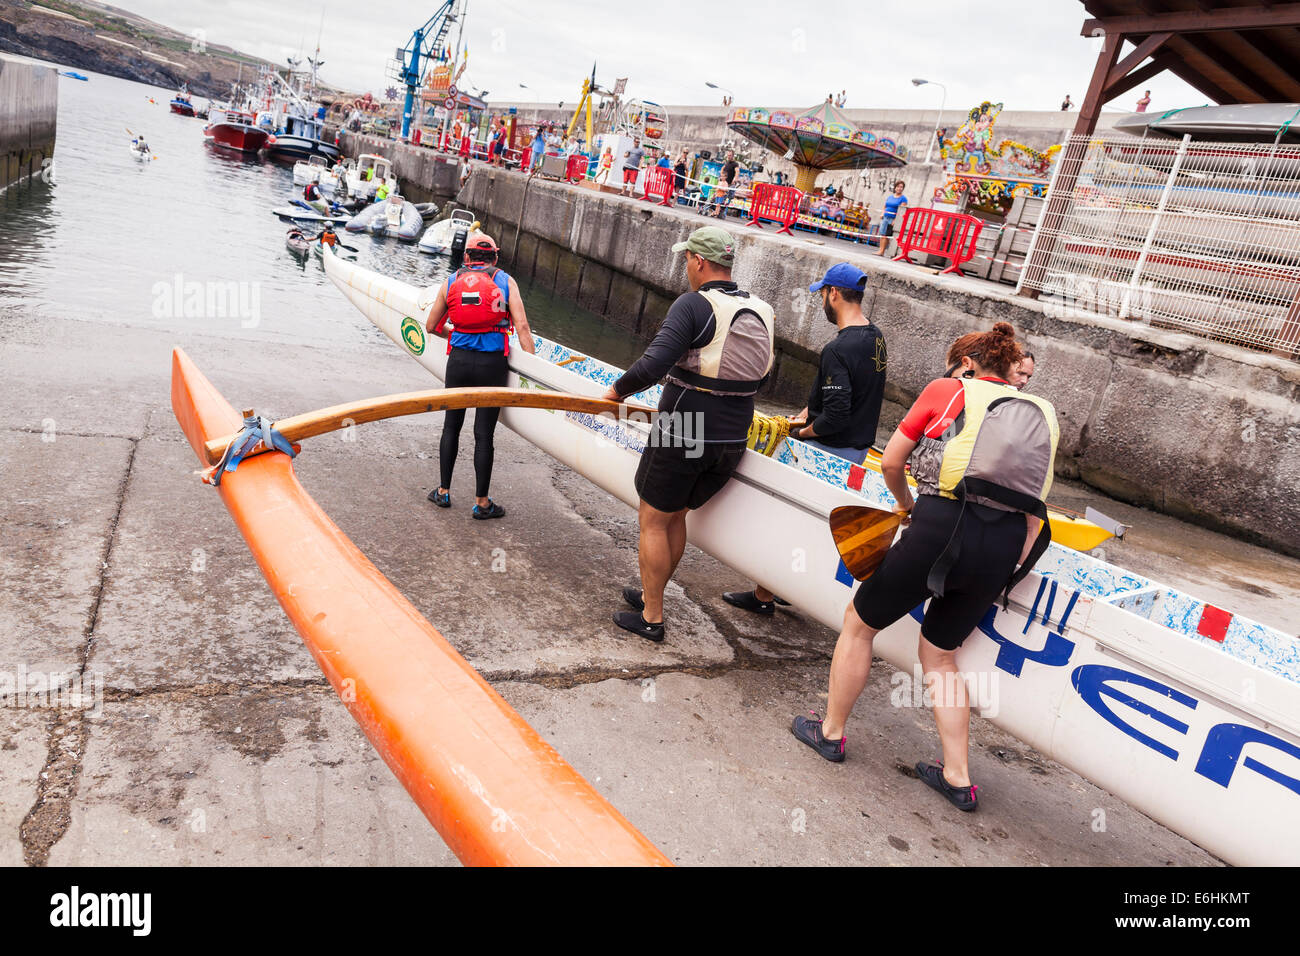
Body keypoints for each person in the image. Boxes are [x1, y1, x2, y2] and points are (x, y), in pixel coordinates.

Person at [791, 322, 1059, 814]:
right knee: (940, 657)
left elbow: (892, 463)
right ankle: (958, 778)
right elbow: (1032, 508)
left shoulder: (947, 389)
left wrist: (908, 504)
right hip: (999, 548)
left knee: (859, 624)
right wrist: (1004, 565)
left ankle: (830, 732)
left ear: (972, 364)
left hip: (939, 525)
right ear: (1012, 368)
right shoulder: (1042, 412)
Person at [601, 227, 775, 642]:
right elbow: (761, 373)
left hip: (686, 424)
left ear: (699, 261)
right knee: (675, 515)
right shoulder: (762, 309)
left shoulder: (694, 305)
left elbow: (653, 365)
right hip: (735, 431)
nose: (686, 267)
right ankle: (651, 594)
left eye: (687, 259)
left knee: (654, 519)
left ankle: (652, 618)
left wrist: (614, 393)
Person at [724, 262, 887, 616]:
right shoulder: (875, 338)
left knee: (783, 520)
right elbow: (850, 397)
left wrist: (803, 430)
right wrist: (808, 412)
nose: (822, 304)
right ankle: (776, 590)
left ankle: (766, 597)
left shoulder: (838, 349)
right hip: (856, 452)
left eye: (823, 296)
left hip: (826, 451)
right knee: (809, 525)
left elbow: (837, 415)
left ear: (833, 294)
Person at [424, 233, 537, 517]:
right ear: (495, 258)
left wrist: (459, 333)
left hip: (459, 362)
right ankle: (482, 503)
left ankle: (443, 492)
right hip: (491, 365)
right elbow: (522, 329)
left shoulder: (451, 281)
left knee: (452, 426)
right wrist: (533, 371)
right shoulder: (506, 281)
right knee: (483, 434)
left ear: (466, 257)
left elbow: (431, 326)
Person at [877, 179, 908, 256]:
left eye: (901, 187)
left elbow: (902, 211)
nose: (899, 188)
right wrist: (882, 213)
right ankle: (880, 250)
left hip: (893, 219)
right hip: (885, 217)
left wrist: (896, 220)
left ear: (903, 189)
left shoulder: (903, 198)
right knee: (882, 234)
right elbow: (885, 206)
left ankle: (882, 251)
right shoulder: (890, 197)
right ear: (895, 188)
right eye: (898, 186)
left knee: (887, 235)